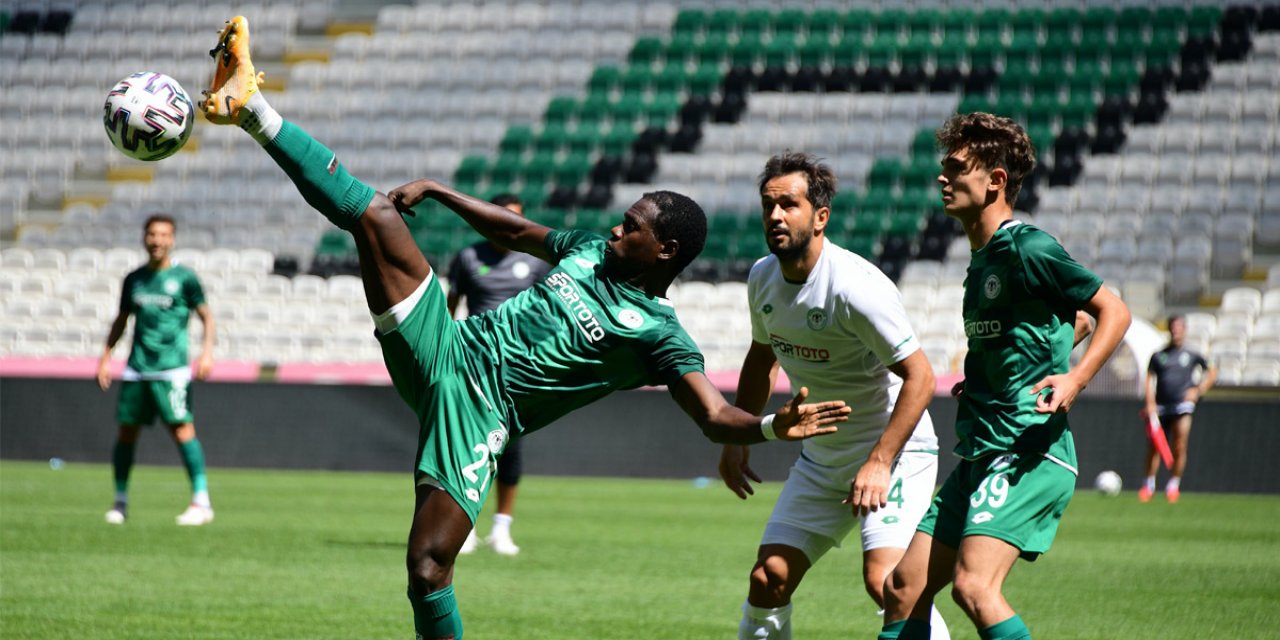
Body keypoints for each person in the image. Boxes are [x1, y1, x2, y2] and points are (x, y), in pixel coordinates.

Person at [199, 16, 850, 639]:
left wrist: (768, 427)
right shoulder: (589, 250)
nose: (617, 228)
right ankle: (251, 107)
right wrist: (443, 191)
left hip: (481, 413)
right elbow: (514, 231)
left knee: (427, 568)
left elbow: (712, 414)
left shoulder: (659, 335)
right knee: (373, 215)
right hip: (448, 345)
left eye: (633, 226)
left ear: (665, 252)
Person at [878, 112, 1131, 640]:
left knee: (974, 586)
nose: (942, 179)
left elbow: (1112, 309)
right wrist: (993, 373)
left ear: (995, 180)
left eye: (955, 168)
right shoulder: (981, 259)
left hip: (1026, 450)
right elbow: (1071, 322)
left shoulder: (1028, 247)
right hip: (981, 450)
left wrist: (1074, 379)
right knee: (903, 587)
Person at [719, 152, 949, 640]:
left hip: (895, 453)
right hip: (824, 459)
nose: (775, 216)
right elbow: (762, 359)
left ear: (821, 217)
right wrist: (736, 436)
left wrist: (880, 461)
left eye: (789, 204)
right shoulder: (762, 276)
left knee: (888, 584)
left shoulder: (856, 287)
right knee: (768, 579)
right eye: (768, 205)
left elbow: (922, 377)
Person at [446, 193, 552, 555]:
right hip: (472, 364)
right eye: (504, 218)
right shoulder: (468, 258)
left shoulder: (536, 262)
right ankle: (465, 526)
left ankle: (501, 528)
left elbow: (549, 313)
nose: (511, 226)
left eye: (518, 219)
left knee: (510, 448)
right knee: (467, 444)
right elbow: (450, 310)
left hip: (517, 368)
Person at [97, 213, 217, 526]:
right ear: (144, 238)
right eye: (152, 234)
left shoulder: (185, 279)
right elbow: (121, 320)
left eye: (163, 235)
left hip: (173, 369)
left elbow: (207, 317)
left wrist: (205, 354)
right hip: (137, 367)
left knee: (182, 430)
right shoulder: (134, 279)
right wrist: (105, 357)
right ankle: (120, 502)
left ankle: (201, 502)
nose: (157, 241)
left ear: (172, 239)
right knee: (126, 432)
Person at [1140, 314, 1216, 503]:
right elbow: (1149, 379)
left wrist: (1198, 390)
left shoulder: (1192, 354)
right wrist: (1149, 403)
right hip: (1161, 407)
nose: (1176, 331)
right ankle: (1148, 485)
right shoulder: (1159, 355)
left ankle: (1173, 485)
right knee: (1155, 446)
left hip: (1182, 406)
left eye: (1179, 327)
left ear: (1184, 330)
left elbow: (1212, 371)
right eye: (1173, 327)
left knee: (1180, 445)